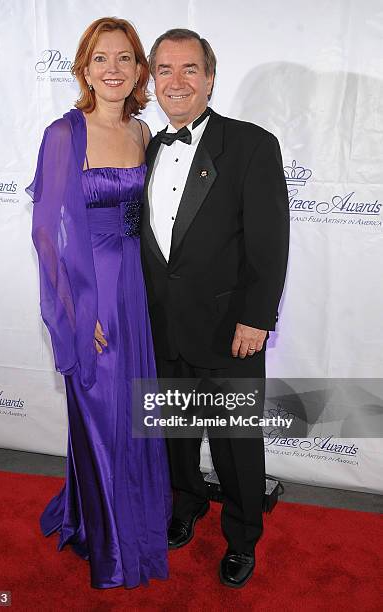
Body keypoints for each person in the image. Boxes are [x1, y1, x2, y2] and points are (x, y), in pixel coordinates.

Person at [26, 17, 172, 590]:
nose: (113, 70)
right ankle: (108, 541)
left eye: (125, 59)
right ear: (84, 69)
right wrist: (78, 315)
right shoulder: (65, 134)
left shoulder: (141, 133)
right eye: (101, 59)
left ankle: (129, 515)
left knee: (135, 414)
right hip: (95, 294)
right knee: (101, 414)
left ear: (138, 70)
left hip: (137, 288)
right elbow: (47, 236)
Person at [141, 29, 289, 588]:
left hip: (232, 328)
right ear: (152, 80)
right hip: (164, 326)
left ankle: (243, 534)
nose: (176, 82)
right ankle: (187, 506)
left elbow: (270, 242)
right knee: (176, 435)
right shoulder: (150, 147)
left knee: (235, 445)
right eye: (164, 70)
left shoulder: (251, 144)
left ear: (209, 78)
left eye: (189, 69)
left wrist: (257, 317)